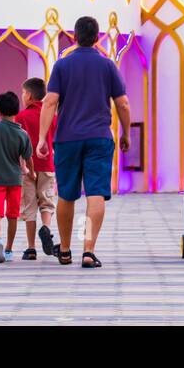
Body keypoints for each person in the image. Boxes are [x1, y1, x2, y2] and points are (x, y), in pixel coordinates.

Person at [37, 16, 130, 268]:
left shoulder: (62, 66)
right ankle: (88, 250)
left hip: (67, 139)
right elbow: (122, 103)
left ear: (74, 37)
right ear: (98, 37)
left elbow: (50, 102)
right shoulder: (108, 66)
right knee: (95, 193)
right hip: (99, 138)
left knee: (66, 194)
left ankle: (65, 250)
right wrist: (126, 133)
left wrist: (42, 137)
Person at [0, 91, 35, 263]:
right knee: (12, 215)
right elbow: (28, 158)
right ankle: (9, 249)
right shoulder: (22, 134)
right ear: (16, 111)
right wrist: (31, 172)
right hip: (15, 180)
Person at [16, 76, 56, 258]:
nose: (22, 95)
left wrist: (20, 165)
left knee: (29, 206)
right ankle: (46, 228)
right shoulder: (52, 116)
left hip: (27, 166)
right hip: (47, 164)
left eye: (23, 92)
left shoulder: (22, 116)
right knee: (47, 201)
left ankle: (31, 248)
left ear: (29, 95)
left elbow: (18, 142)